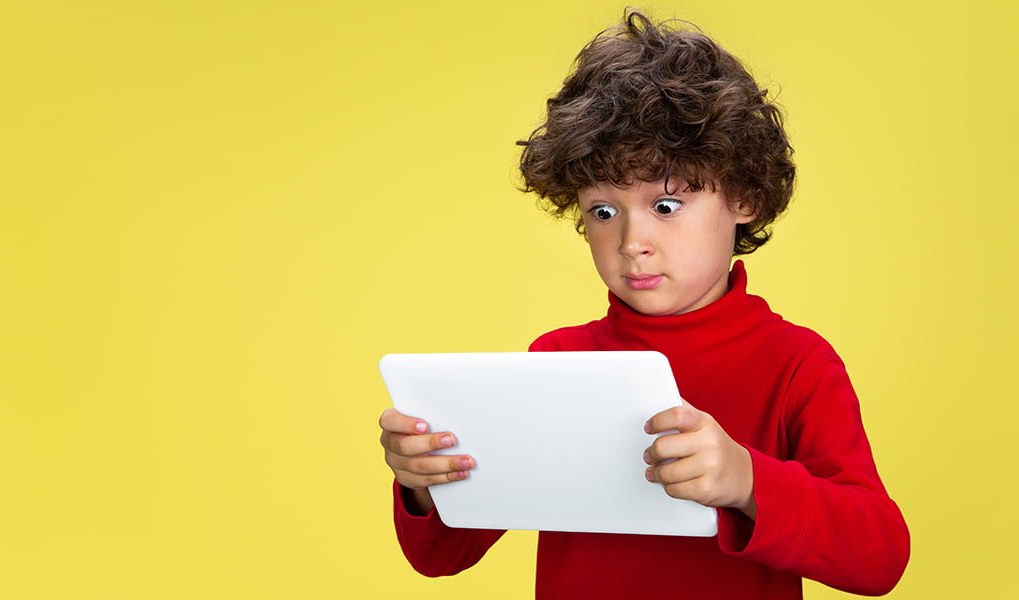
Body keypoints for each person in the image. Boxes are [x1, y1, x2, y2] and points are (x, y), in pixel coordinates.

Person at [378, 8, 910, 599]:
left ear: (745, 197)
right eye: (603, 212)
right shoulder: (555, 360)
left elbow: (880, 558)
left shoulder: (797, 365)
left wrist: (748, 481)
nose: (633, 243)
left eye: (666, 205)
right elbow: (440, 556)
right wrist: (423, 482)